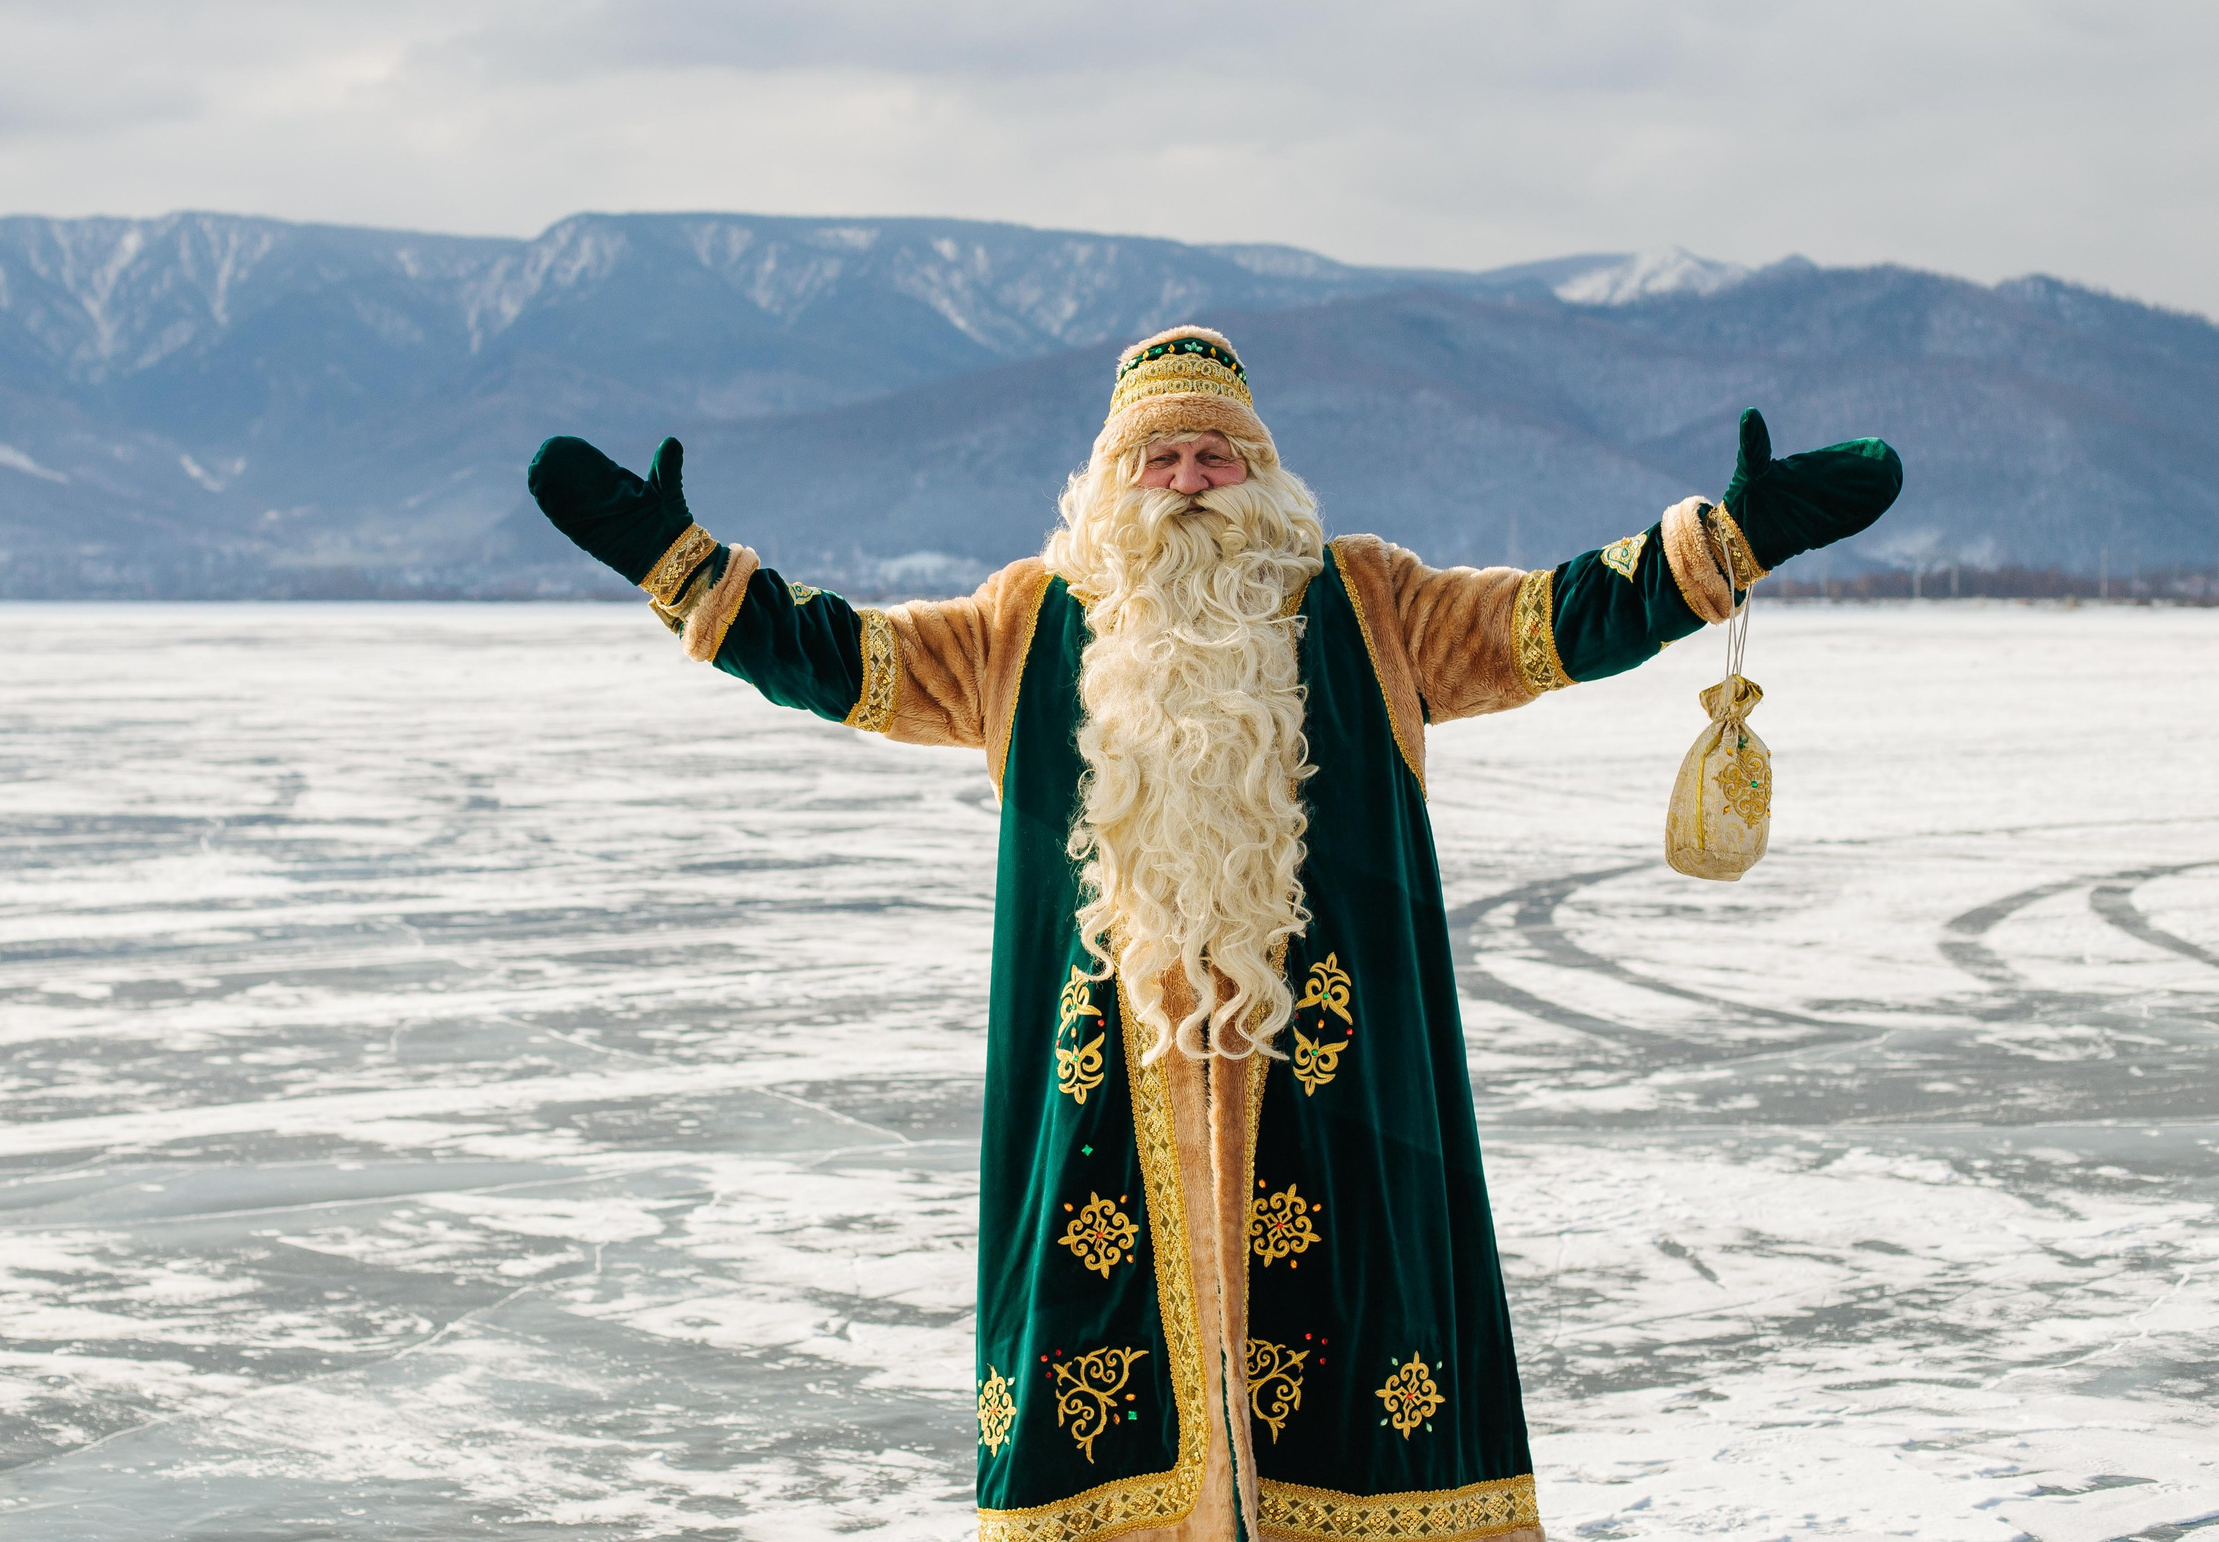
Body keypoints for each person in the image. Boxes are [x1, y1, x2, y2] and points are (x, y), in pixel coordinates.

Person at [527, 327, 1900, 1542]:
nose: (1188, 482)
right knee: (1102, 1376)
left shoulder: (1375, 606)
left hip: (1341, 1102)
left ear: (1262, 476)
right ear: (1110, 485)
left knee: (1363, 1383)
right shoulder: (1023, 629)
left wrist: (1724, 546)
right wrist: (684, 569)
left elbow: (1552, 620)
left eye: (1214, 457)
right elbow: (848, 659)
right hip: (1103, 1107)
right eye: (1161, 459)